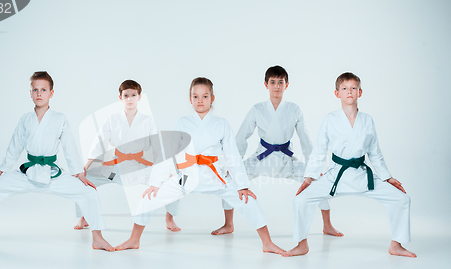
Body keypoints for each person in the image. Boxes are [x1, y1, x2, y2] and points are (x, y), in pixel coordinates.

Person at [115, 77, 285, 254]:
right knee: (149, 198)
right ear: (190, 99)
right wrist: (156, 182)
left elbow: (232, 154)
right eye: (195, 97)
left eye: (205, 96)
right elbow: (168, 153)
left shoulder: (221, 124)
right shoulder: (182, 122)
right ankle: (134, 239)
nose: (200, 101)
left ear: (212, 98)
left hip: (215, 176)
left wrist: (242, 185)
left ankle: (267, 242)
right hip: (185, 176)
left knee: (248, 200)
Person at [0, 71, 114, 252]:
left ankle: (98, 238)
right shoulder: (25, 119)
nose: (39, 94)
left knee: (89, 193)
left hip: (52, 173)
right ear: (30, 93)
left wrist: (79, 174)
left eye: (43, 89)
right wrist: (0, 171)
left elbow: (69, 147)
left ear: (51, 93)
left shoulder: (59, 118)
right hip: (27, 173)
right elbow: (14, 146)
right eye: (35, 90)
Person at [284, 72, 415, 258]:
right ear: (337, 93)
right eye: (344, 88)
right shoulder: (330, 119)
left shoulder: (367, 120)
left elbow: (375, 153)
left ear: (360, 92)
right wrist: (309, 177)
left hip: (362, 176)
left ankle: (396, 245)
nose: (349, 92)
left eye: (353, 88)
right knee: (301, 200)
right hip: (336, 175)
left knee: (402, 199)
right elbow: (319, 150)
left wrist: (388, 177)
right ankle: (301, 244)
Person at [213, 65, 341, 237]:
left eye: (280, 82)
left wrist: (315, 168)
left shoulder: (294, 109)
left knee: (317, 181)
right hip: (261, 158)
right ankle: (228, 224)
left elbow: (306, 140)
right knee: (229, 179)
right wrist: (233, 165)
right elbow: (241, 138)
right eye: (273, 82)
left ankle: (327, 225)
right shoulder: (257, 109)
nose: (277, 86)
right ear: (266, 84)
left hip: (287, 160)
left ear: (287, 85)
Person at [73, 80, 181, 232]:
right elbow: (100, 142)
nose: (130, 99)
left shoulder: (147, 120)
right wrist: (85, 167)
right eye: (126, 95)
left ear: (139, 97)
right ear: (120, 97)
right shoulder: (112, 119)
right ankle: (84, 216)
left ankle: (170, 216)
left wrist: (165, 169)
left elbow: (157, 147)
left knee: (172, 180)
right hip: (115, 169)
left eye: (133, 95)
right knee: (83, 180)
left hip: (140, 168)